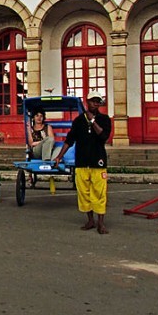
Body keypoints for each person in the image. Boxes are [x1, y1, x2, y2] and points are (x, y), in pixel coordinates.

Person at [53, 91, 112, 234]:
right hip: (82, 162)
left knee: (99, 193)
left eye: (98, 101)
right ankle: (90, 220)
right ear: (87, 102)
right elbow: (69, 140)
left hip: (98, 162)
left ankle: (101, 223)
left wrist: (93, 121)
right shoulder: (78, 121)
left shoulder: (104, 119)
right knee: (84, 193)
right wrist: (59, 157)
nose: (95, 103)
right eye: (93, 101)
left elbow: (103, 136)